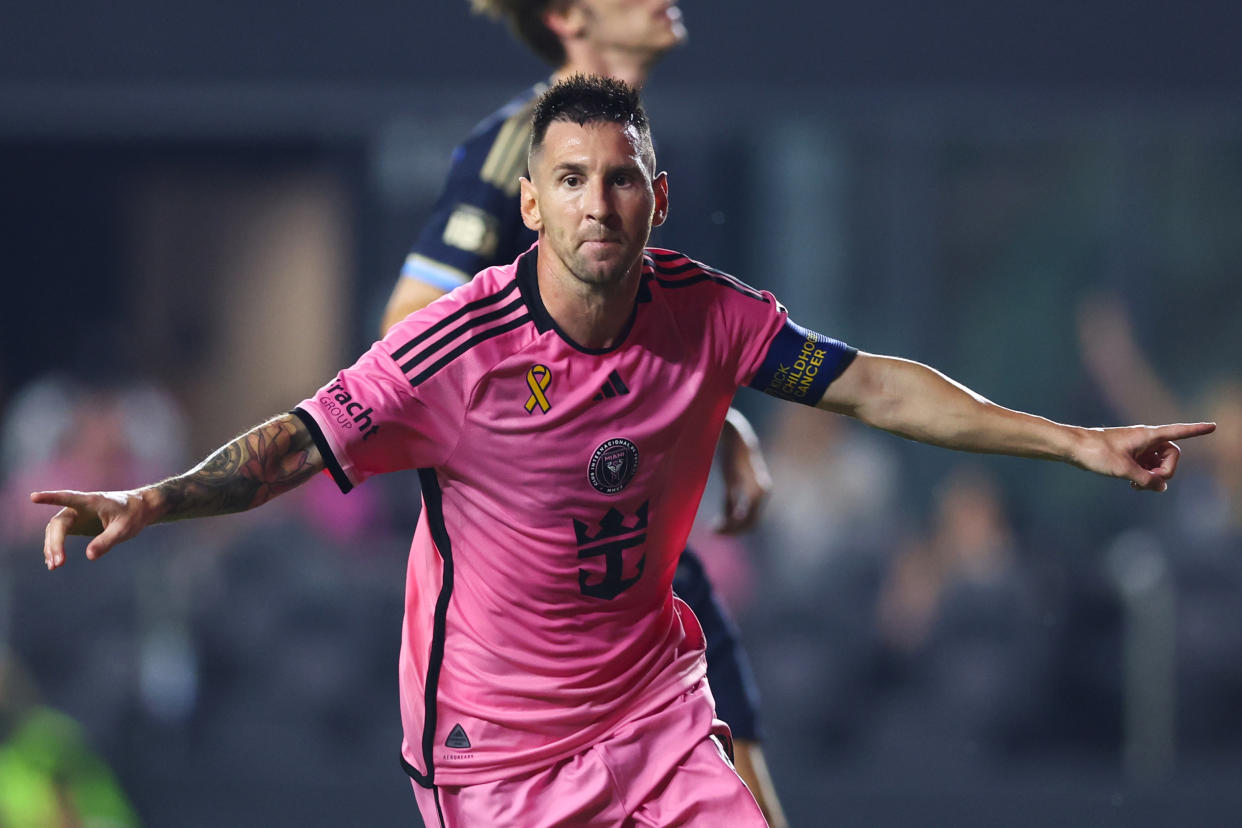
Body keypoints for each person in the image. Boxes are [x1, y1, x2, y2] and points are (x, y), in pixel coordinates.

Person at [34, 77, 1214, 827]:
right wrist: (154, 497)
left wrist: (1076, 442)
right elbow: (295, 445)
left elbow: (872, 387)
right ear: (533, 208)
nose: (597, 202)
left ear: (656, 195)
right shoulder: (457, 351)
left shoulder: (711, 314)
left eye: (618, 180)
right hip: (489, 751)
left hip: (650, 711)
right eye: (568, 181)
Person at [382, 1, 786, 820]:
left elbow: (646, 345)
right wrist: (537, 431)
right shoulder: (513, 146)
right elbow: (404, 331)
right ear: (568, 15)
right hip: (534, 567)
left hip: (624, 531)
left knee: (728, 717)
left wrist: (723, 421)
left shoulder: (624, 148)